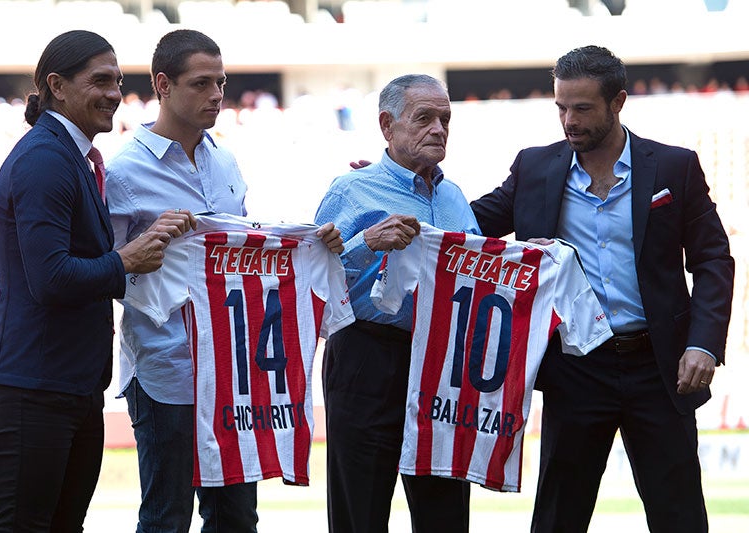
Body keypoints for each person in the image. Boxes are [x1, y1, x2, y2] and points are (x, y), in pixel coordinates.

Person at [469, 45, 735, 532]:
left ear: (618, 102)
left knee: (679, 515)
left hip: (661, 368)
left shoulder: (674, 167)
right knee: (558, 516)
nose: (568, 120)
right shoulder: (534, 168)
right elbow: (466, 226)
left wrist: (703, 344)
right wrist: (395, 185)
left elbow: (714, 258)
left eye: (583, 108)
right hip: (576, 366)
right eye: (561, 107)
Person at [106, 29, 343, 533]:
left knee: (237, 517)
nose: (217, 94)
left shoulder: (227, 162)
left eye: (222, 82)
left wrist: (308, 243)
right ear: (163, 85)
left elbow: (243, 256)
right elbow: (107, 273)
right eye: (202, 83)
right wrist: (146, 254)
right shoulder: (124, 173)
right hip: (166, 368)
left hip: (236, 376)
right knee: (166, 517)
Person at [0, 30, 186, 532]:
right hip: (35, 384)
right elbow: (50, 278)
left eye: (117, 80)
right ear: (57, 85)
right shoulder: (46, 159)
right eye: (100, 80)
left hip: (65, 383)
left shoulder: (72, 157)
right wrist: (126, 260)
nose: (115, 92)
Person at [314, 74, 477, 533]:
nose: (439, 129)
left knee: (445, 512)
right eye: (424, 118)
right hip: (367, 355)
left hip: (441, 364)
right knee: (359, 511)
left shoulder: (455, 198)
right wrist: (366, 241)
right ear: (387, 125)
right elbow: (314, 284)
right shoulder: (350, 191)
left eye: (445, 119)